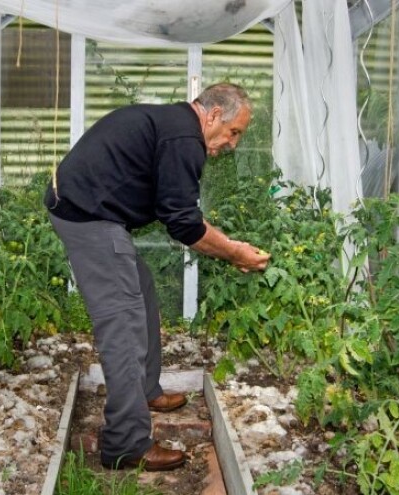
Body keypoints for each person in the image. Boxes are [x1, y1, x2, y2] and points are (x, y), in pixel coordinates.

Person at [43, 82, 270, 471]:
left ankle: (144, 390)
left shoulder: (176, 127)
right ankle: (125, 445)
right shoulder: (185, 138)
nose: (232, 144)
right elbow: (184, 225)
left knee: (141, 293)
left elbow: (179, 208)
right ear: (214, 115)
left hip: (89, 210)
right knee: (125, 326)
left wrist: (227, 242)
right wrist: (234, 252)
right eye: (234, 133)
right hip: (88, 217)